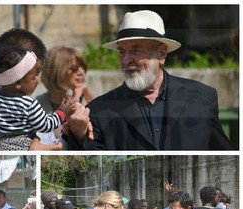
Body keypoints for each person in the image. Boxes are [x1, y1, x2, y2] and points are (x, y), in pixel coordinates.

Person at [67, 10, 233, 150]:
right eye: (122, 52)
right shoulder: (99, 110)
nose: (126, 59)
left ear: (162, 54)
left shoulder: (202, 98)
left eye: (136, 50)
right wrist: (79, 134)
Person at [37, 46, 93, 143]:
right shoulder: (37, 105)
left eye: (82, 66)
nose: (81, 72)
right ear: (56, 71)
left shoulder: (91, 99)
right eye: (74, 68)